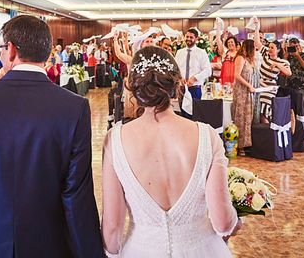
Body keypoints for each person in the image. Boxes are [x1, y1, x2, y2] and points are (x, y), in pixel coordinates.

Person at [0, 15, 104, 257]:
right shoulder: (73, 107)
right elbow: (77, 195)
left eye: (1, 48)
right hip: (51, 244)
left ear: (10, 49)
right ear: (48, 51)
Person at [101, 46, 241, 257]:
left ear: (132, 88)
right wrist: (236, 220)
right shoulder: (207, 135)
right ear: (176, 86)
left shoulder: (115, 139)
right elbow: (222, 222)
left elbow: (112, 228)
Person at [252, 20, 291, 121]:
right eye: (269, 47)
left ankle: (267, 130)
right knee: (255, 107)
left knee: (264, 108)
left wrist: (277, 64)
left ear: (278, 50)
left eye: (272, 48)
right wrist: (256, 28)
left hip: (270, 88)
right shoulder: (265, 54)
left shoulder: (282, 62)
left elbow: (288, 73)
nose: (269, 49)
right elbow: (257, 42)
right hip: (259, 85)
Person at [232, 39, 259, 154]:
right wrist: (248, 86)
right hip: (242, 91)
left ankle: (247, 144)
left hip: (249, 92)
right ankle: (239, 146)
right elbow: (237, 75)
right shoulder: (240, 58)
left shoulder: (250, 60)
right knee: (241, 118)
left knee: (248, 118)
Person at [174, 28, 212, 101]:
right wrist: (180, 78)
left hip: (195, 88)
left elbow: (208, 71)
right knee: (182, 112)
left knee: (195, 111)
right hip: (181, 88)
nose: (188, 39)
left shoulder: (201, 52)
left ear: (196, 39)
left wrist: (195, 78)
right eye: (187, 37)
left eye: (191, 37)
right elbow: (175, 69)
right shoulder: (179, 52)